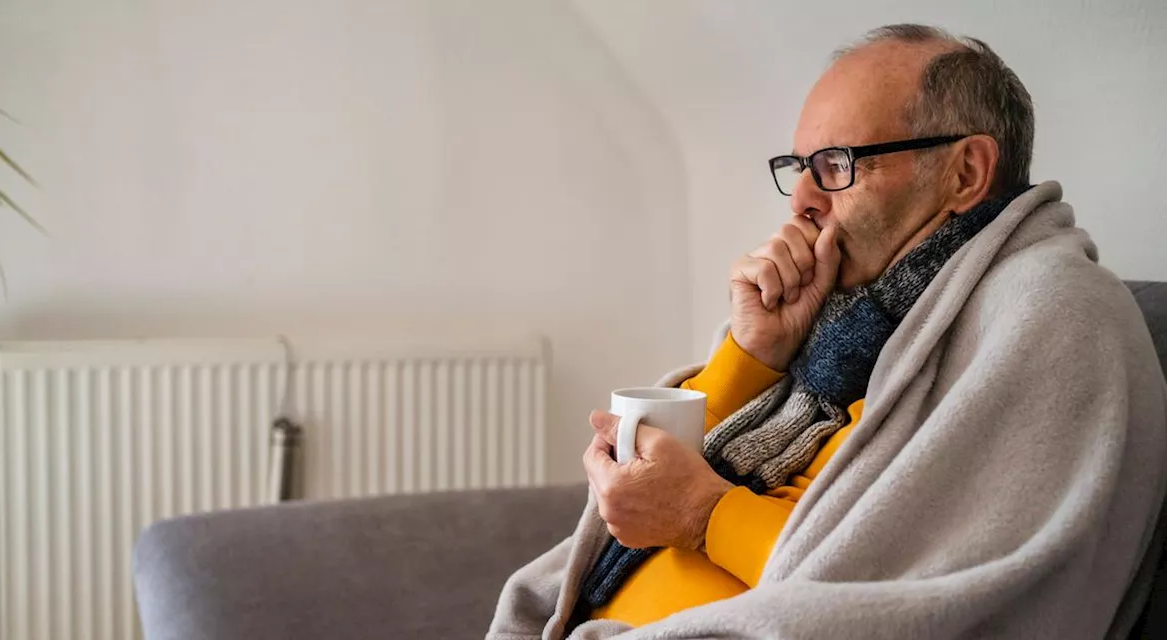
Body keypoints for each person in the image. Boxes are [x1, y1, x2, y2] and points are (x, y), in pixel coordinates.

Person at [487, 24, 1167, 640]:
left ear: (965, 172)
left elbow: (911, 598)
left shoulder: (1052, 313)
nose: (804, 199)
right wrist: (752, 355)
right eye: (799, 167)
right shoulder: (853, 315)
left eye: (836, 164)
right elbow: (678, 483)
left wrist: (703, 516)